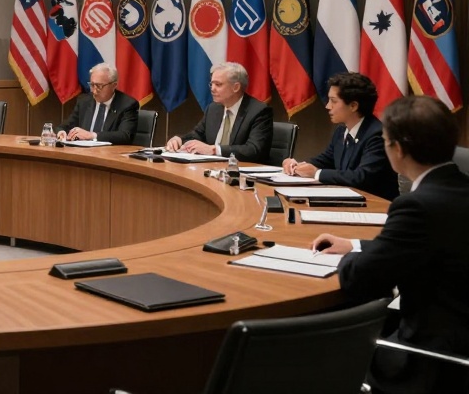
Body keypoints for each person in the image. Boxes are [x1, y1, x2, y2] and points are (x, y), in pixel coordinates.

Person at [310, 95, 469, 394]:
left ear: (397, 149)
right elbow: (433, 246)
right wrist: (356, 245)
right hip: (458, 329)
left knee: (313, 353)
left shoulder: (416, 206)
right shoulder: (458, 189)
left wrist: (343, 260)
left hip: (432, 359)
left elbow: (360, 279)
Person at [283, 72, 398, 199]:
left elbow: (362, 177)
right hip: (349, 201)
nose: (328, 106)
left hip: (376, 206)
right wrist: (297, 165)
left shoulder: (377, 135)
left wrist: (317, 173)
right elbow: (326, 160)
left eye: (333, 101)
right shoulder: (341, 130)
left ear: (353, 106)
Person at [165, 61, 272, 162]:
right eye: (211, 84)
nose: (212, 89)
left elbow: (254, 150)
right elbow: (197, 134)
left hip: (241, 173)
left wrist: (214, 150)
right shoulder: (213, 108)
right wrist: (179, 139)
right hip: (212, 169)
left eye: (218, 84)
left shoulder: (258, 111)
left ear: (236, 87)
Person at [56, 63, 139, 144]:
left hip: (109, 154)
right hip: (82, 153)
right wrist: (62, 132)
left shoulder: (127, 104)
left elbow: (125, 136)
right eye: (92, 85)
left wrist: (92, 135)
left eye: (99, 86)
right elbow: (65, 126)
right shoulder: (84, 101)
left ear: (114, 85)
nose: (94, 91)